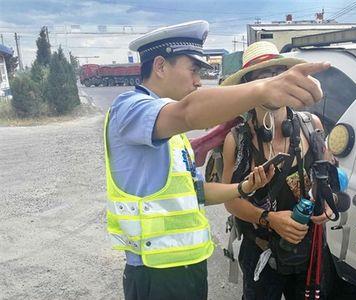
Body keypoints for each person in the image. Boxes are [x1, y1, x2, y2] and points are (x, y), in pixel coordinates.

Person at [104, 21, 330, 300]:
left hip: (185, 269)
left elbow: (197, 191)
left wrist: (243, 188)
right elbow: (189, 112)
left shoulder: (171, 134)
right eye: (194, 70)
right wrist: (262, 90)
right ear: (160, 66)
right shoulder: (130, 108)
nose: (198, 80)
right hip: (157, 271)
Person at [221, 41, 333, 300]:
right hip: (260, 252)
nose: (274, 82)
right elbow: (230, 201)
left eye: (278, 74)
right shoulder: (237, 140)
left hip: (310, 250)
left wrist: (328, 204)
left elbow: (326, 176)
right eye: (263, 76)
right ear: (250, 85)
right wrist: (269, 219)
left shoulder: (311, 125)